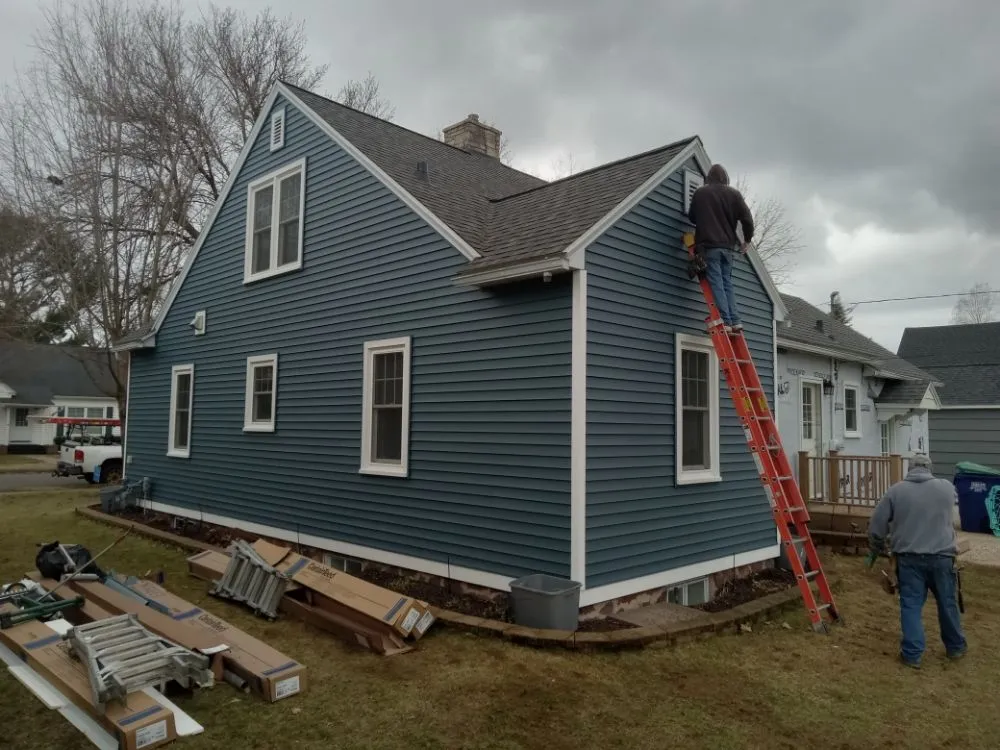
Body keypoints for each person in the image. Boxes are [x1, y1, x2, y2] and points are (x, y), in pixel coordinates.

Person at [867, 453, 967, 668]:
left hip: (909, 559)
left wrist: (877, 546)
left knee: (911, 605)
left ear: (909, 469)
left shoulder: (895, 491)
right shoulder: (946, 488)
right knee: (947, 603)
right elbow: (954, 517)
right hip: (942, 557)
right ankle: (956, 647)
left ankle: (912, 655)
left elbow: (877, 524)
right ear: (930, 468)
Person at [686, 164, 755, 333]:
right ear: (725, 178)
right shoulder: (734, 195)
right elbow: (747, 219)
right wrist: (747, 240)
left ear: (709, 178)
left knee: (716, 282)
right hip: (728, 248)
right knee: (727, 283)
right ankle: (735, 320)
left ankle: (725, 319)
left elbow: (692, 217)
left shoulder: (701, 193)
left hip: (709, 246)